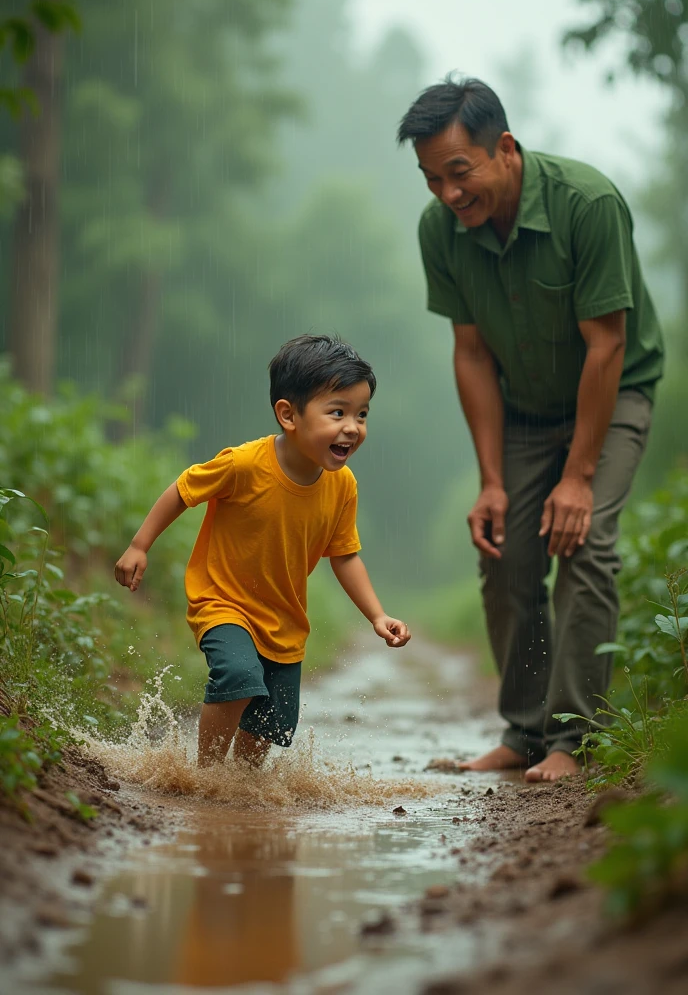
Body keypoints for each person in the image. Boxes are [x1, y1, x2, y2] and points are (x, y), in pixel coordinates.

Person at [398, 77, 663, 782]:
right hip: (521, 409)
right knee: (505, 552)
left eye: (461, 172)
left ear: (505, 148)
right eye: (432, 180)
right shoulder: (441, 234)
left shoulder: (589, 204)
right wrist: (490, 480)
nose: (450, 194)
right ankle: (524, 731)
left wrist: (577, 477)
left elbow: (606, 346)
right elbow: (472, 354)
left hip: (612, 393)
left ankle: (575, 741)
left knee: (584, 544)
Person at [114, 334, 411, 768]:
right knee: (238, 676)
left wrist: (377, 615)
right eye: (338, 412)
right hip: (224, 602)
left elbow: (344, 554)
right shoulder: (244, 464)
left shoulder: (342, 486)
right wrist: (140, 545)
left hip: (285, 618)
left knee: (273, 720)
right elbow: (183, 489)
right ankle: (206, 776)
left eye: (362, 414)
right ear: (288, 415)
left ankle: (242, 786)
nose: (353, 426)